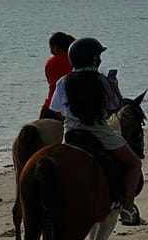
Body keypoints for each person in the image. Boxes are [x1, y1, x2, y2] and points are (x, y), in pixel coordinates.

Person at [49, 37, 142, 226]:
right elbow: (115, 107)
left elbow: (57, 111)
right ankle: (127, 209)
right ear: (93, 59)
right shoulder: (101, 81)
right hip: (98, 131)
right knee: (134, 163)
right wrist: (115, 88)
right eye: (98, 56)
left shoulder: (63, 81)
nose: (99, 59)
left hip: (70, 133)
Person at [39, 31, 75, 120]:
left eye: (50, 47)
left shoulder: (50, 62)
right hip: (71, 105)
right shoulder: (74, 60)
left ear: (55, 47)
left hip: (51, 104)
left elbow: (50, 81)